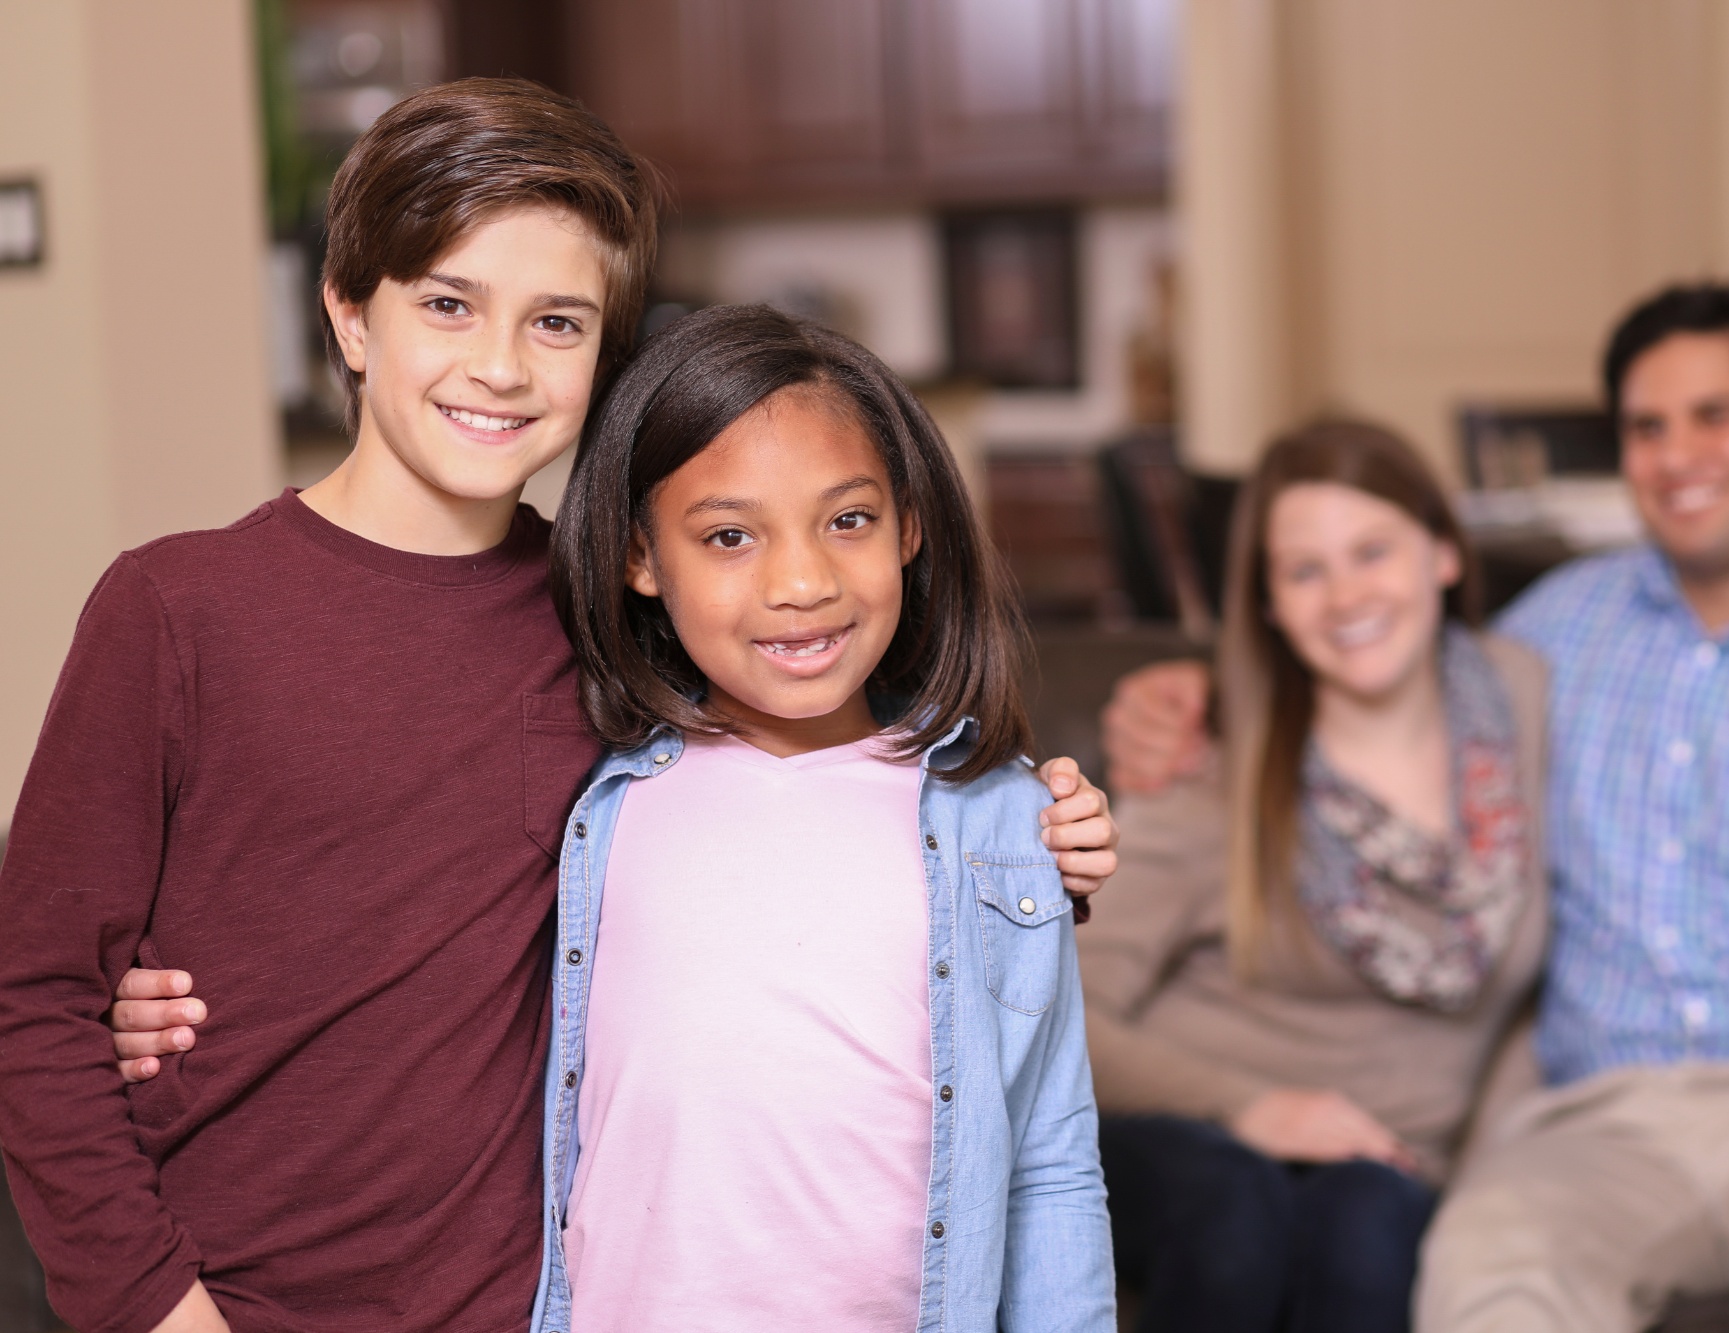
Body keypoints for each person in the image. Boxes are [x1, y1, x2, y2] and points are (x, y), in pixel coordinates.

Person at [0, 81, 1116, 1333]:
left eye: (558, 322)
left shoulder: (613, 626)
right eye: (446, 304)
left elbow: (822, 766)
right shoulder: (175, 609)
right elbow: (32, 994)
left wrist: (1039, 826)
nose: (499, 365)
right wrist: (158, 1304)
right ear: (348, 316)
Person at [1104, 281, 1729, 1332]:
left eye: (1716, 415)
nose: (1676, 456)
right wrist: (1185, 695)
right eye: (1645, 427)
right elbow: (1364, 674)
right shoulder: (1552, 640)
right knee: (1487, 1257)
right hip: (1598, 1125)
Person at [527, 303, 1115, 1332]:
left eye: (847, 520)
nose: (801, 582)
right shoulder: (588, 796)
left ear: (910, 524)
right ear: (639, 558)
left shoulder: (1001, 822)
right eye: (729, 536)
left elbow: (1049, 1161)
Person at [1083, 418, 1548, 1333]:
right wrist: (1251, 1107)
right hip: (1189, 1135)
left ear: (1444, 555)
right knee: (1235, 1208)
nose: (1344, 596)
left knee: (1364, 1223)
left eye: (1372, 550)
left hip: (1389, 1155)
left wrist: (1499, 1160)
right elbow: (1046, 1009)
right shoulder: (1219, 768)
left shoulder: (1524, 705)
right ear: (1268, 605)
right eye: (1304, 570)